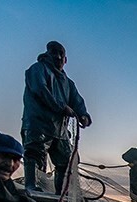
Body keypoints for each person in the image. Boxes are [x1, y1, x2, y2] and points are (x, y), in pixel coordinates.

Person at [22, 41, 92, 193]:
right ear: (48, 55)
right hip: (38, 124)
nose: (59, 57)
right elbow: (40, 90)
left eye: (62, 54)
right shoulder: (37, 69)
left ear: (66, 60)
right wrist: (61, 107)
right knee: (34, 154)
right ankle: (31, 186)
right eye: (54, 53)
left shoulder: (69, 83)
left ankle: (62, 192)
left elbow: (77, 101)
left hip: (60, 131)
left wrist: (83, 115)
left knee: (66, 161)